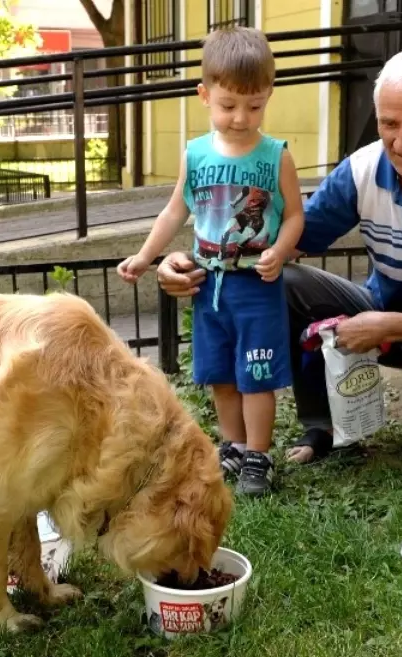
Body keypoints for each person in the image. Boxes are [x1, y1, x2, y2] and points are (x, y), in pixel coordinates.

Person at [155, 44, 402, 466]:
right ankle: (321, 424)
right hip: (378, 307)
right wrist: (189, 261)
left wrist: (385, 326)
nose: (400, 143)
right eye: (388, 123)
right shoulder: (363, 168)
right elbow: (278, 242)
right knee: (283, 282)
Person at [117, 26, 304, 498]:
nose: (242, 117)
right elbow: (175, 210)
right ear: (204, 95)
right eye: (228, 105)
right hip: (209, 286)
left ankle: (259, 455)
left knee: (256, 375)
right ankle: (234, 446)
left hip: (256, 287)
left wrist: (279, 251)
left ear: (268, 96)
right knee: (220, 374)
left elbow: (295, 215)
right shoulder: (195, 154)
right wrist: (144, 256)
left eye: (255, 105)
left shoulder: (276, 156)